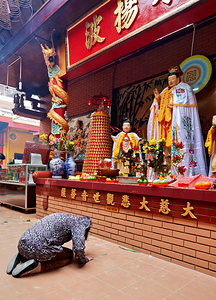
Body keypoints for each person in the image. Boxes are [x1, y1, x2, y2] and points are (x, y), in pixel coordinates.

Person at [147, 65, 207, 177]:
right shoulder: (165, 90)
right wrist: (158, 99)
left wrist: (174, 105)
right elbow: (158, 106)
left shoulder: (184, 88)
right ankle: (168, 171)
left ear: (178, 79)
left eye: (173, 79)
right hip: (165, 125)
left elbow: (185, 105)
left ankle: (180, 174)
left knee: (178, 148)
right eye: (169, 80)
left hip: (176, 123)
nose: (170, 81)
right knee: (166, 150)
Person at [6, 213, 93, 278]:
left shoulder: (65, 217)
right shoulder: (80, 225)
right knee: (70, 255)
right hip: (37, 248)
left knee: (39, 244)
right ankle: (38, 266)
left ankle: (22, 256)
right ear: (86, 228)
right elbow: (78, 248)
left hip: (23, 242)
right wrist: (83, 259)